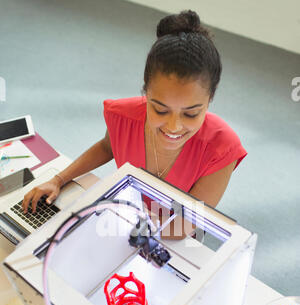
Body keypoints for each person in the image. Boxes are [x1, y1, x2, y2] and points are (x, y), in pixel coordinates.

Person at [22, 10, 247, 217]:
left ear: (211, 97)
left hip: (173, 235)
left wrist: (110, 219)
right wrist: (58, 179)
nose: (173, 126)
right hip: (128, 213)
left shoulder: (221, 148)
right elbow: (107, 147)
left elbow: (185, 226)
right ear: (145, 91)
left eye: (190, 114)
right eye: (160, 109)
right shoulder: (123, 116)